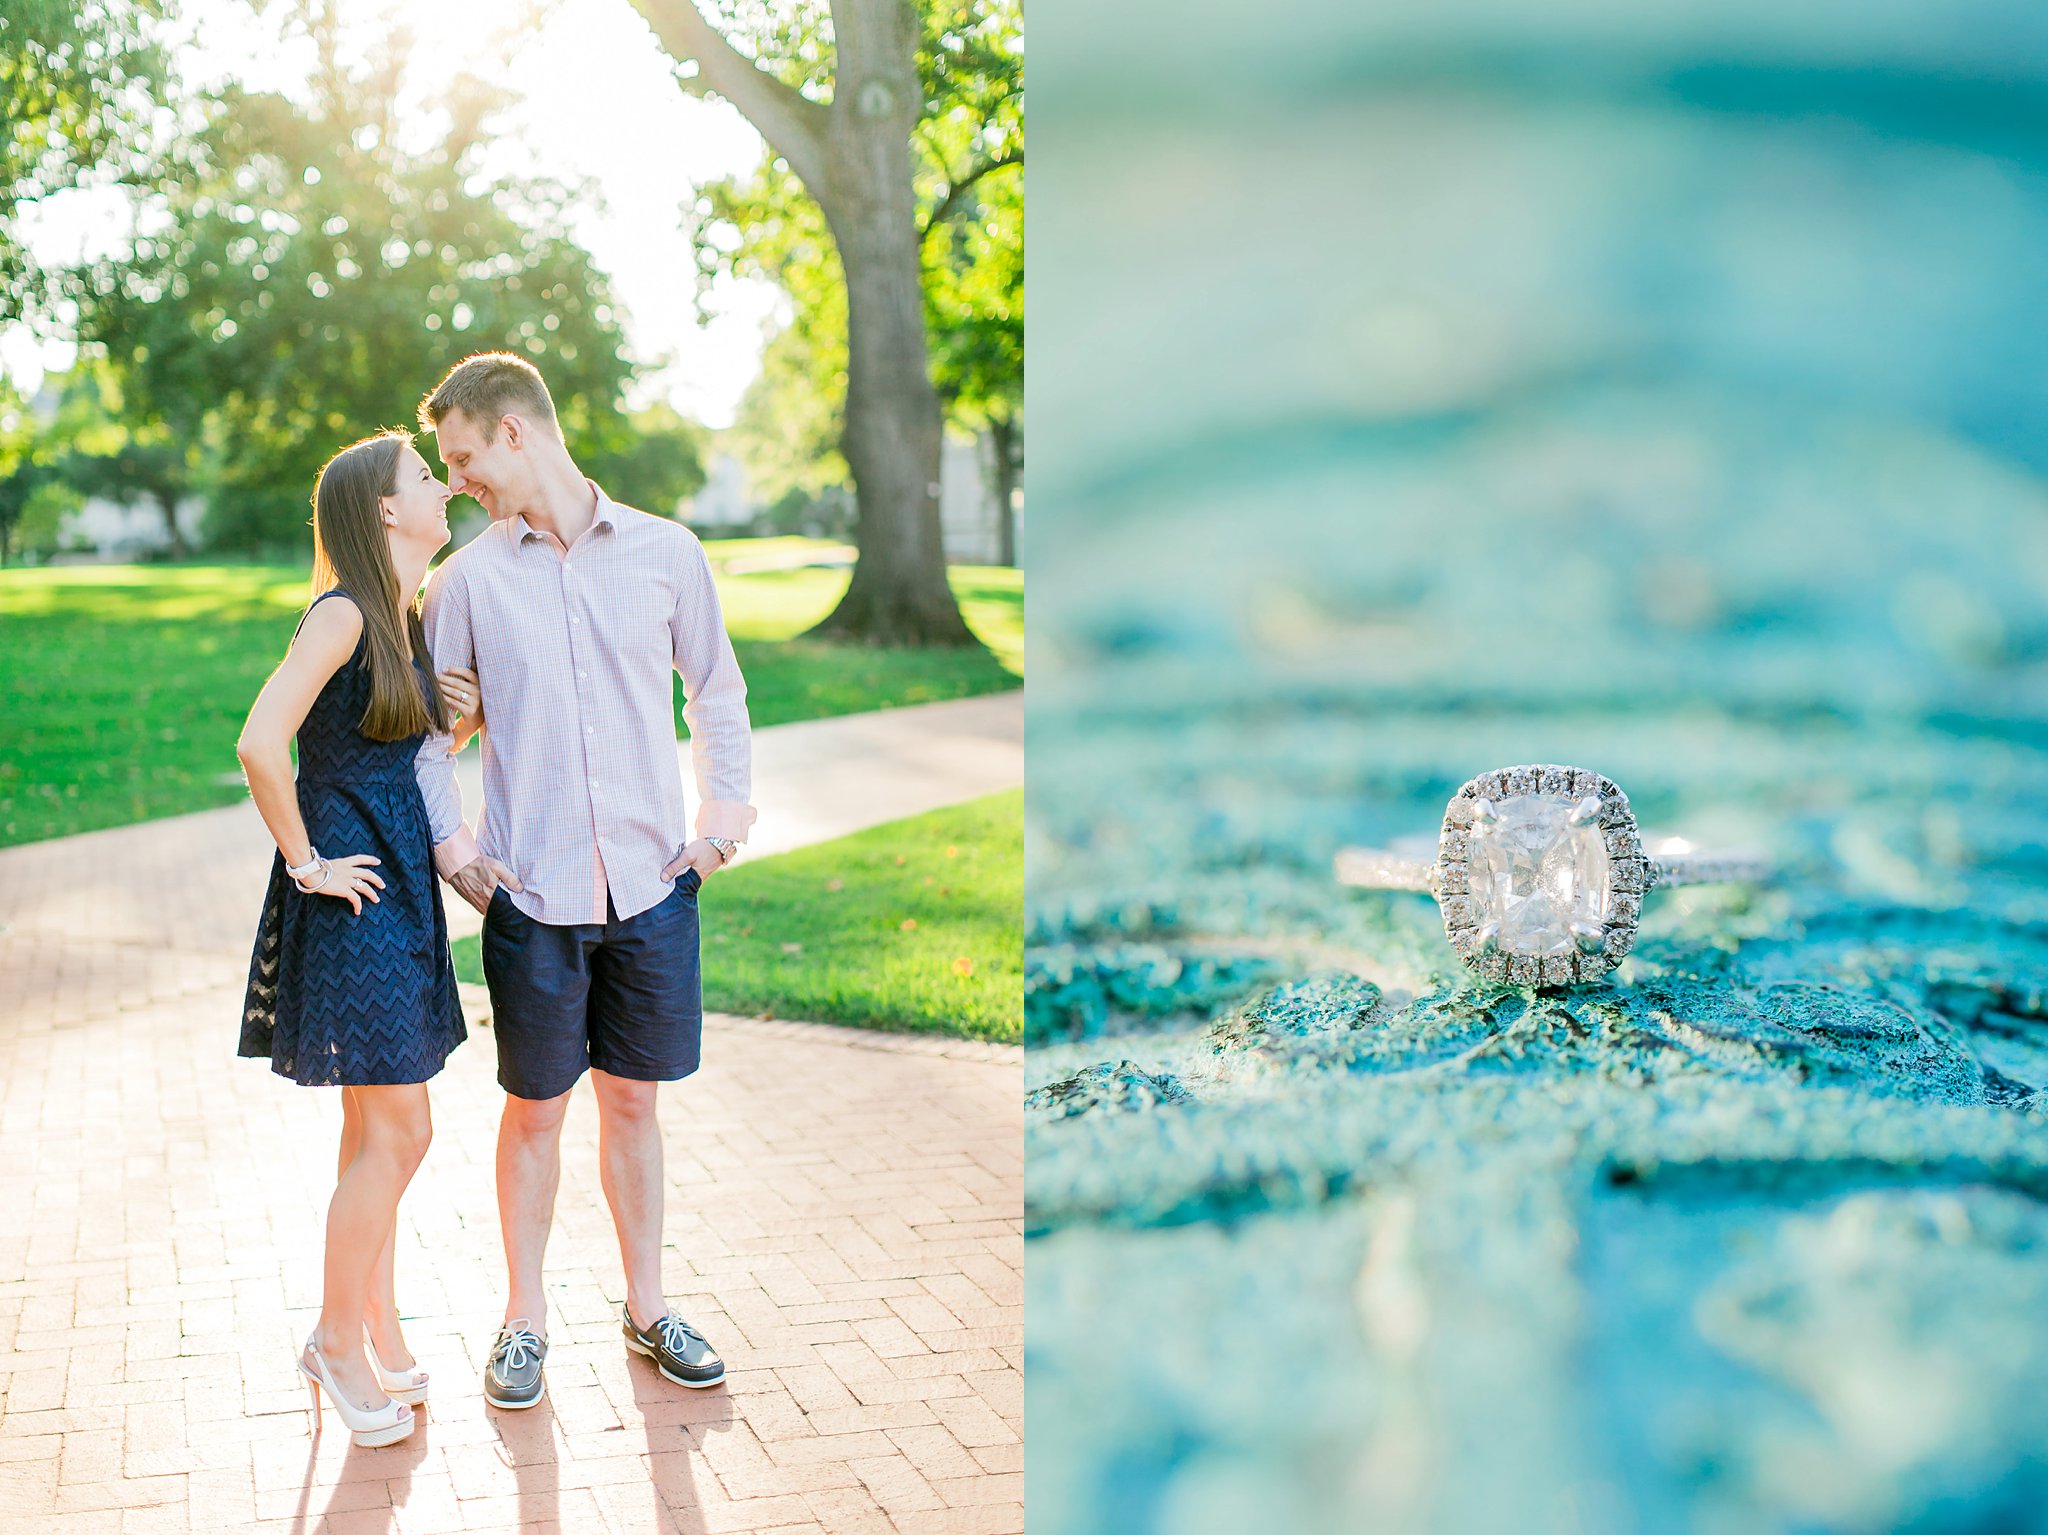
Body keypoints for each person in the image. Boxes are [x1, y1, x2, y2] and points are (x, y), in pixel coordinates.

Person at [412, 352, 755, 1409]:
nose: (458, 479)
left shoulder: (666, 551)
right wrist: (457, 852)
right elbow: (430, 742)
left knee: (636, 1104)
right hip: (534, 899)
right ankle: (524, 1319)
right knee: (534, 1112)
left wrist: (721, 821)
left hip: (653, 889)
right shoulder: (463, 582)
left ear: (514, 431)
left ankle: (647, 1306)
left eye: (463, 457)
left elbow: (718, 690)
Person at [236, 430, 483, 1448]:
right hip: (352, 888)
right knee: (404, 1129)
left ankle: (371, 1316)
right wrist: (305, 862)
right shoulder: (342, 612)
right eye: (424, 476)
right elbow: (260, 740)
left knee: (369, 1122)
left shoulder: (401, 618)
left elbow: (396, 748)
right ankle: (336, 1338)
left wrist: (449, 719)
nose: (440, 483)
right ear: (385, 510)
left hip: (397, 880)